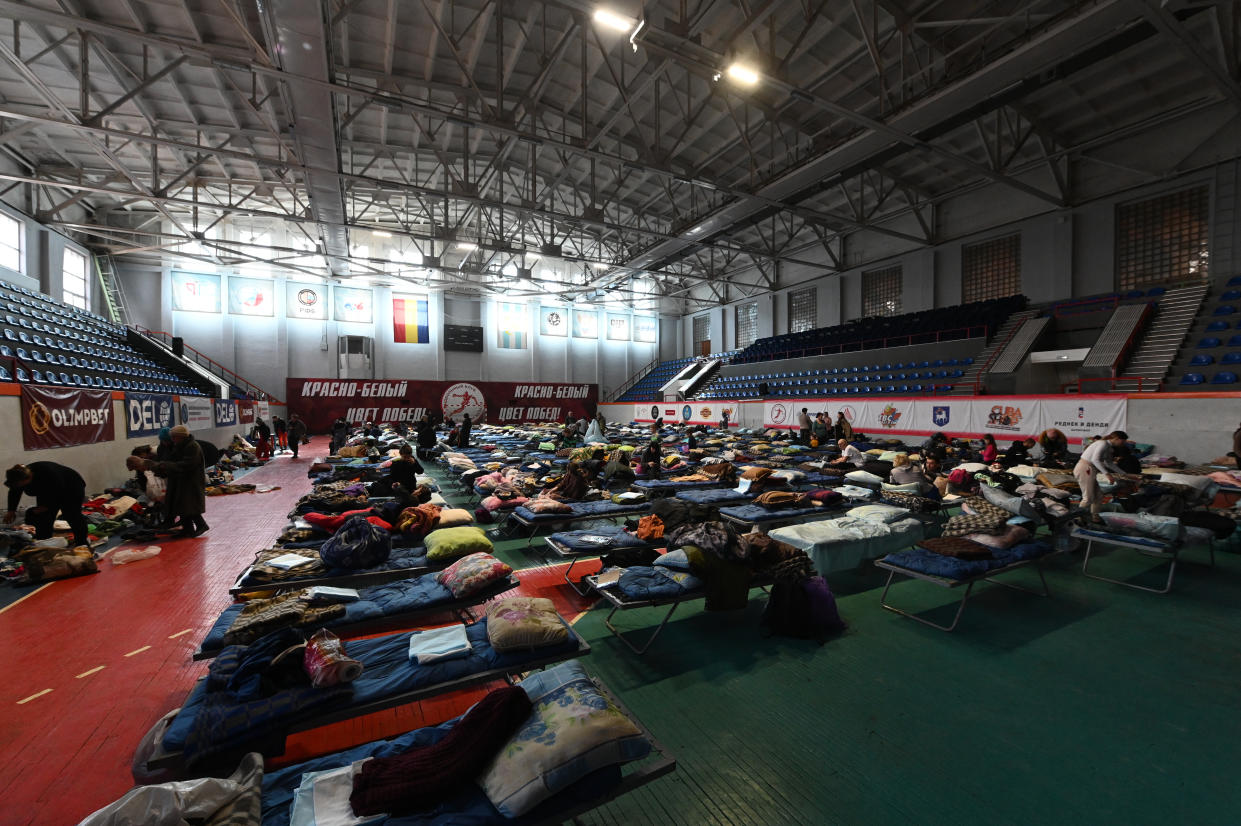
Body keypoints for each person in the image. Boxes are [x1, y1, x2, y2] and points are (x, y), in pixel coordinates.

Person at [4, 462, 90, 547]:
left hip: (71, 487)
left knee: (71, 514)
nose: (18, 487)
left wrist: (47, 506)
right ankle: (44, 542)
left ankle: (82, 542)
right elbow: (14, 492)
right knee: (44, 517)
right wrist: (11, 511)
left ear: (28, 479)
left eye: (19, 484)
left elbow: (58, 492)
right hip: (46, 491)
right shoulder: (18, 478)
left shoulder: (48, 474)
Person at [151, 425, 209, 537]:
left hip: (191, 480)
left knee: (188, 505)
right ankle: (188, 529)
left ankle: (201, 525)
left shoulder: (192, 447)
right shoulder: (181, 445)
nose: (172, 440)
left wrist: (166, 466)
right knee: (183, 505)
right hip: (182, 479)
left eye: (174, 437)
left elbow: (188, 464)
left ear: (180, 436)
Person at [1074, 430, 1128, 523]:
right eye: (1122, 441)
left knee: (1098, 496)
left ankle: (1095, 517)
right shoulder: (1102, 444)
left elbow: (1109, 463)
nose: (1123, 444)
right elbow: (1095, 460)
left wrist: (1124, 474)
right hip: (1085, 468)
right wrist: (1108, 475)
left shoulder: (1108, 447)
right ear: (1116, 439)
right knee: (1088, 497)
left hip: (1090, 469)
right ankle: (1077, 518)